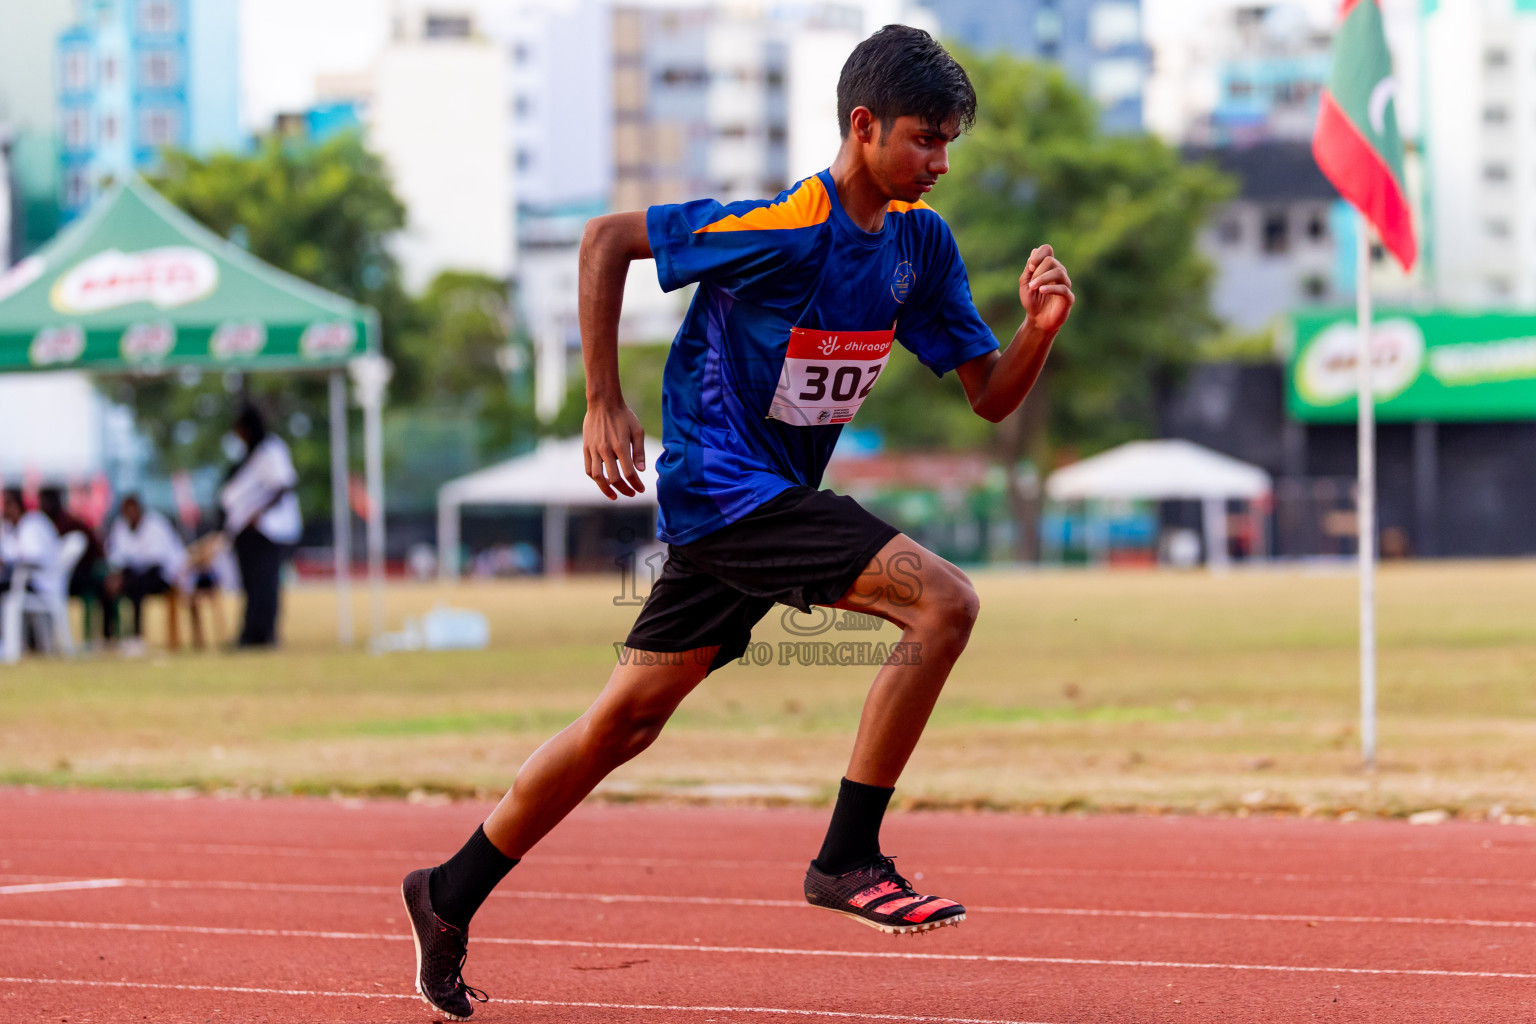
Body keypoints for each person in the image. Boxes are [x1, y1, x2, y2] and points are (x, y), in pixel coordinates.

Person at [401, 25, 1075, 1019]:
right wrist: (602, 397)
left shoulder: (920, 246)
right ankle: (848, 856)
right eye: (926, 140)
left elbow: (988, 397)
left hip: (764, 505)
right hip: (725, 490)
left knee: (622, 722)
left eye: (948, 146)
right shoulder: (786, 223)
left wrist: (1038, 333)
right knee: (945, 603)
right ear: (863, 125)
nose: (940, 163)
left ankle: (446, 891)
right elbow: (607, 240)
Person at [218, 405, 300, 648]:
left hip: (269, 530)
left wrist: (259, 515)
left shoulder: (272, 450)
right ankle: (251, 634)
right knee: (251, 584)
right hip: (246, 530)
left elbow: (283, 485)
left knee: (266, 583)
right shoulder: (252, 454)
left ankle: (265, 634)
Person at [104, 494, 187, 653]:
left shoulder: (156, 525)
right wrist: (117, 576)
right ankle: (108, 637)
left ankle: (136, 637)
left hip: (162, 575)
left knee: (136, 587)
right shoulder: (120, 525)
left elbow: (156, 560)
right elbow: (116, 556)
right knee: (108, 586)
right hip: (133, 574)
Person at [37, 487, 113, 644]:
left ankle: (104, 637)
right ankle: (37, 641)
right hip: (50, 578)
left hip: (81, 575)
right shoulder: (41, 525)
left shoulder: (71, 524)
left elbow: (98, 552)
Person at [0, 488, 65, 652]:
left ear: (15, 506)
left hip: (40, 583)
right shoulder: (13, 528)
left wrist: (8, 562)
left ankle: (7, 645)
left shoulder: (32, 524)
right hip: (25, 581)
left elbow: (32, 558)